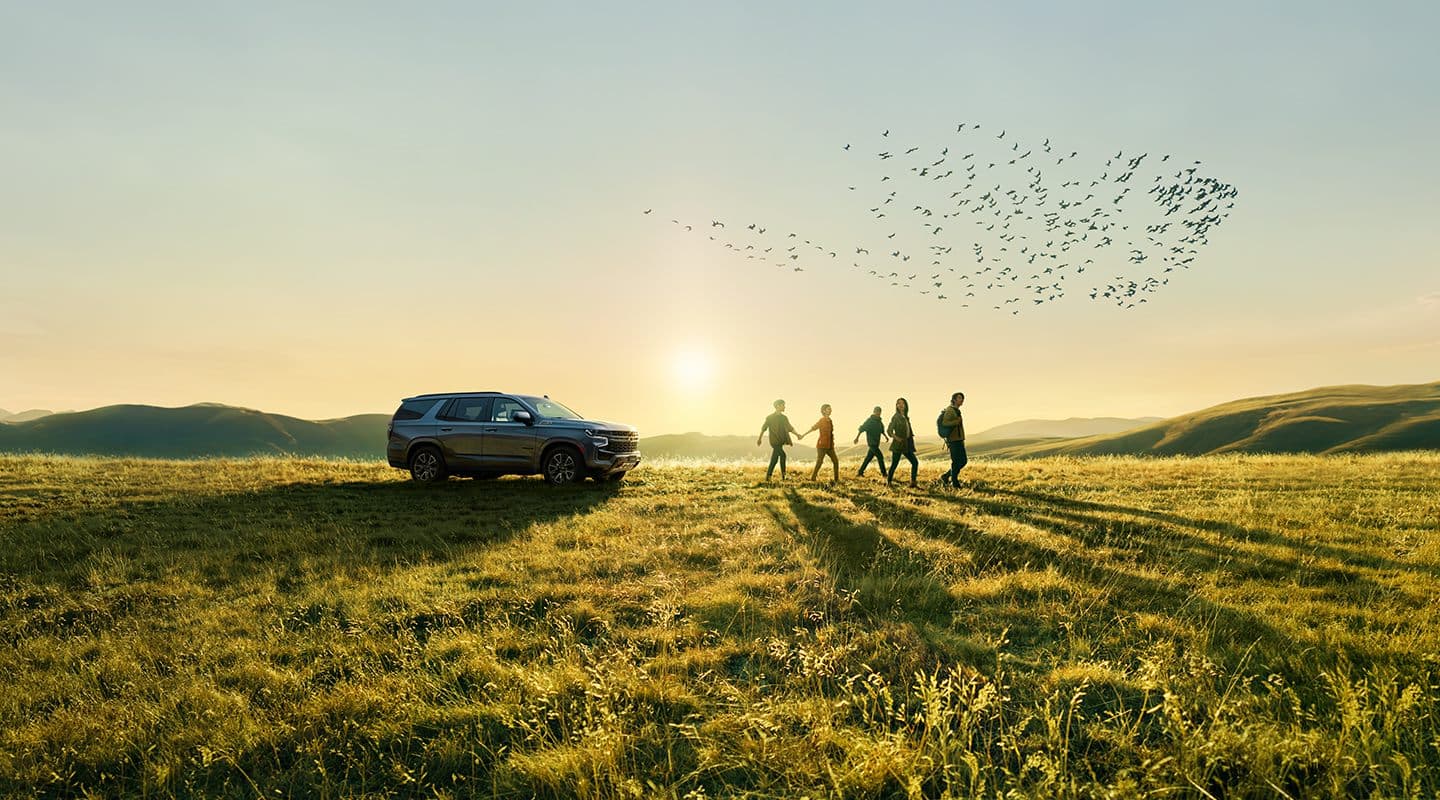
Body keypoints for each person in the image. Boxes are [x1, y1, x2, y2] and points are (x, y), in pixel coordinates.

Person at [757, 399, 802, 481]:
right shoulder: (770, 418)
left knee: (774, 459)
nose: (784, 407)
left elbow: (790, 428)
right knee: (783, 455)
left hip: (780, 442)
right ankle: (784, 476)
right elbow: (764, 429)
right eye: (783, 405)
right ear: (777, 406)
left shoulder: (784, 418)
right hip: (774, 441)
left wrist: (797, 434)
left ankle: (768, 476)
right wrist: (759, 439)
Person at [886, 397, 919, 487]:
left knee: (915, 462)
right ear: (896, 406)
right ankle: (888, 482)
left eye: (902, 403)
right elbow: (889, 431)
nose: (900, 405)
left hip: (907, 444)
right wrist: (896, 438)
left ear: (905, 405)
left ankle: (913, 482)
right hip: (898, 445)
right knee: (894, 464)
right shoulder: (896, 417)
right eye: (898, 403)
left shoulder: (906, 417)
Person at [806, 404, 839, 483]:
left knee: (835, 461)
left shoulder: (830, 420)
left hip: (830, 446)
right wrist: (803, 435)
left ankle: (836, 479)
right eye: (828, 409)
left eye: (830, 409)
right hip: (822, 445)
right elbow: (813, 428)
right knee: (819, 461)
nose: (830, 410)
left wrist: (832, 444)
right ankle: (813, 478)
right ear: (824, 411)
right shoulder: (822, 420)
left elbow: (831, 433)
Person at [940, 391, 968, 487]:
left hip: (959, 439)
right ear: (954, 400)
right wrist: (956, 421)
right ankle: (954, 482)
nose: (962, 400)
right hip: (953, 440)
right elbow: (945, 423)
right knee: (956, 461)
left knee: (963, 461)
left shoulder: (956, 410)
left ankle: (946, 476)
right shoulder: (950, 410)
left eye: (962, 398)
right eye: (959, 398)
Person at [854, 406, 889, 478]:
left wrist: (885, 436)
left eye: (879, 412)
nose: (878, 413)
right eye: (877, 411)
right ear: (874, 412)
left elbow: (882, 430)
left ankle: (860, 472)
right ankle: (884, 474)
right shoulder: (869, 421)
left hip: (876, 443)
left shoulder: (879, 421)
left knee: (868, 458)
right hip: (872, 443)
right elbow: (862, 428)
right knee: (880, 457)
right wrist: (857, 437)